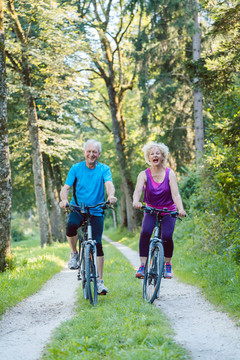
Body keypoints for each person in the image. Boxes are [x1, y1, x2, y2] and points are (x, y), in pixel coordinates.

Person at [59, 139, 117, 295]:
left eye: (95, 152)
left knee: (97, 244)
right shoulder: (76, 168)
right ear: (84, 152)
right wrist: (64, 200)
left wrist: (111, 196)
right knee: (71, 225)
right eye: (89, 151)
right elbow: (66, 188)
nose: (92, 154)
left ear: (99, 154)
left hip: (96, 210)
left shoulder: (104, 169)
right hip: (78, 208)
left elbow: (109, 184)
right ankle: (74, 254)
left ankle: (99, 281)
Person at [132, 141, 186, 279]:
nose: (155, 156)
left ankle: (167, 265)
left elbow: (175, 194)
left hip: (168, 210)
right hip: (150, 209)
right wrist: (136, 201)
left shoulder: (170, 174)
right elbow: (138, 190)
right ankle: (143, 266)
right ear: (148, 158)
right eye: (152, 154)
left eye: (158, 153)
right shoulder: (143, 174)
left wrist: (180, 209)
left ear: (162, 157)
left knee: (166, 236)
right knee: (145, 232)